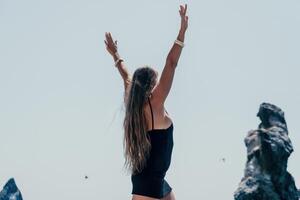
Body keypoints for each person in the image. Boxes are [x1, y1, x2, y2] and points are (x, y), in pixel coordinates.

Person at [104, 4, 188, 200]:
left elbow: (125, 75)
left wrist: (116, 54)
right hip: (147, 184)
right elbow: (171, 63)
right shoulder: (155, 103)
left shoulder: (134, 102)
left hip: (158, 180)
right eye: (157, 80)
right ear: (151, 86)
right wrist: (182, 31)